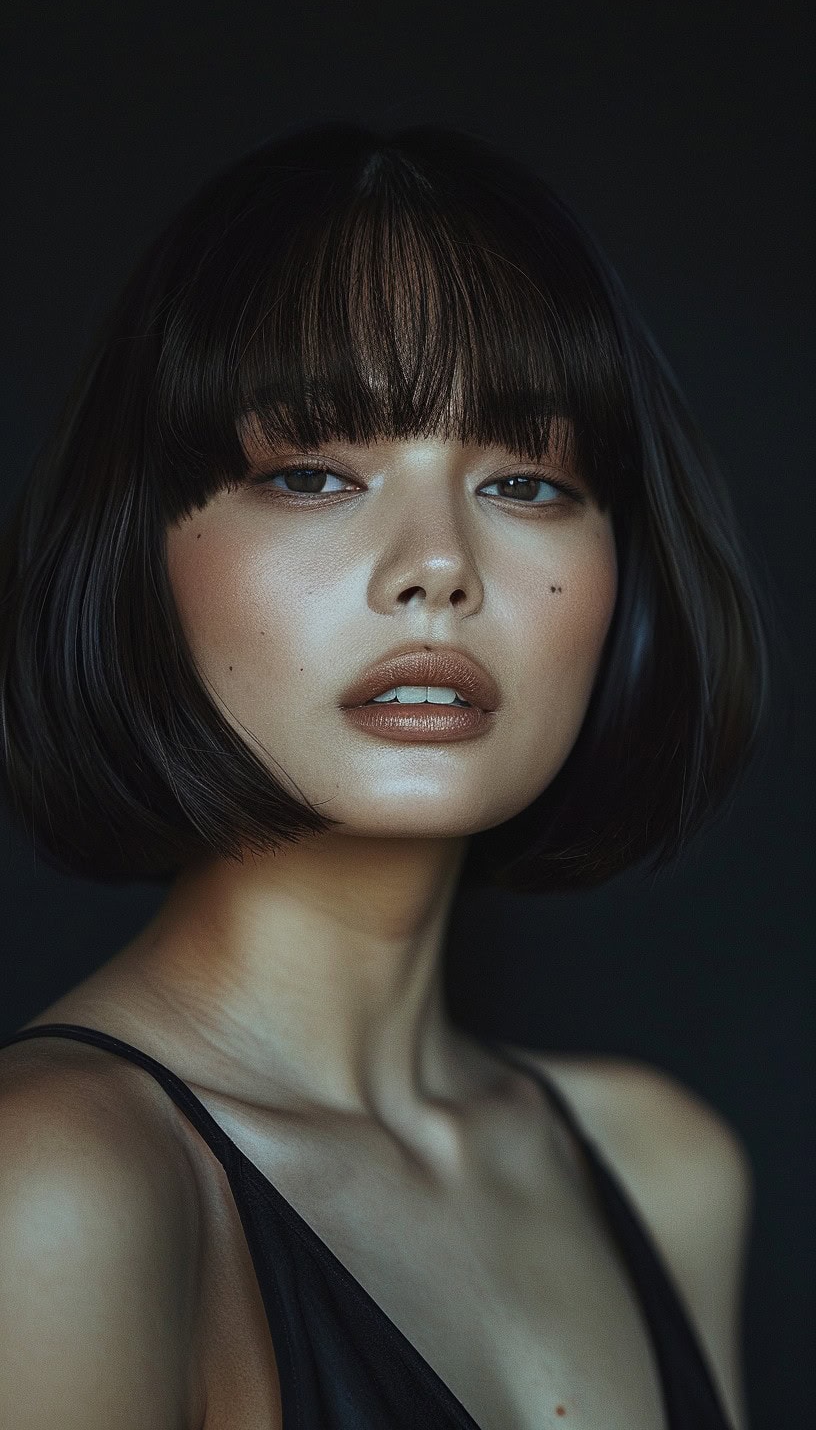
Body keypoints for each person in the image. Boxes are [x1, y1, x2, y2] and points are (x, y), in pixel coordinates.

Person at [0, 122, 771, 1430]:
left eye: (529, 480)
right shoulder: (62, 1188)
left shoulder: (662, 1170)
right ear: (140, 553)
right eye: (310, 472)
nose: (437, 567)